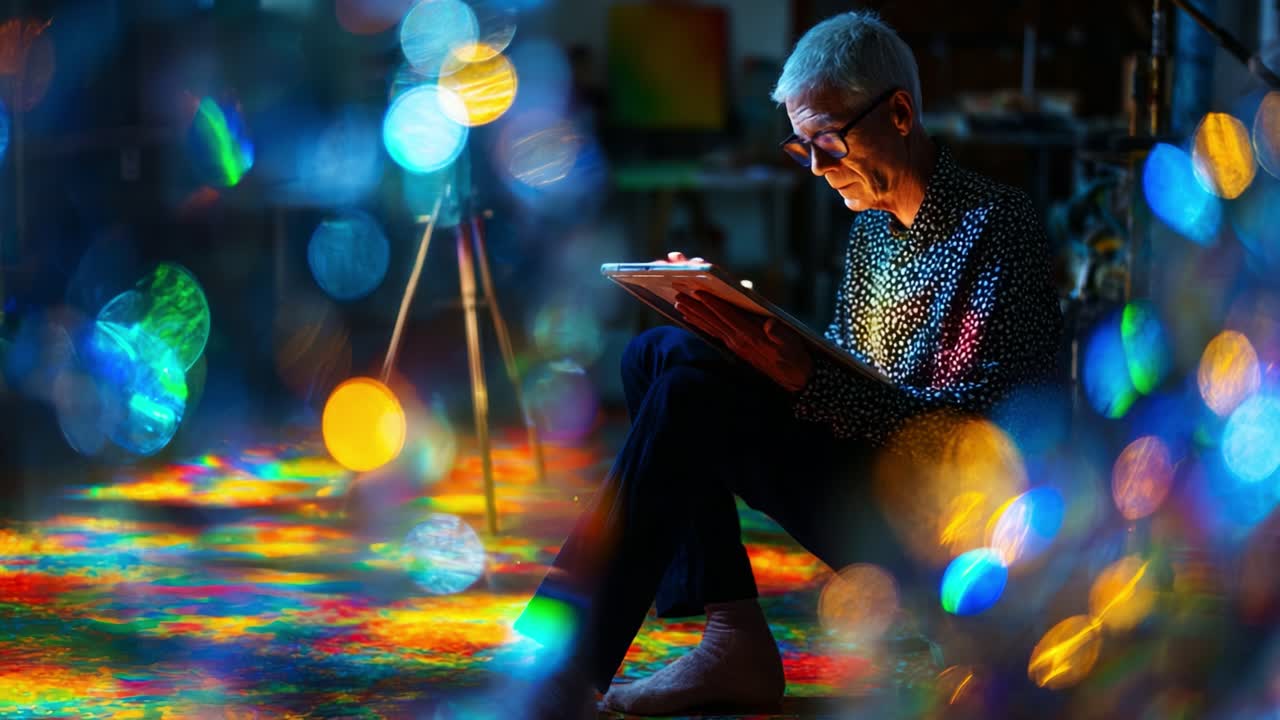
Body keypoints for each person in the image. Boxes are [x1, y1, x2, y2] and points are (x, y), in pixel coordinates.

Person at [514, 10, 1063, 718]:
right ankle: (729, 636)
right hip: (873, 474)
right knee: (662, 353)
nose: (817, 170)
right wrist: (743, 338)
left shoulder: (998, 227)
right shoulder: (872, 231)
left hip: (952, 535)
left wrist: (806, 378)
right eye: (802, 150)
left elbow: (979, 436)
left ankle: (565, 672)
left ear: (899, 112)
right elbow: (847, 376)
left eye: (828, 142)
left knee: (689, 397)